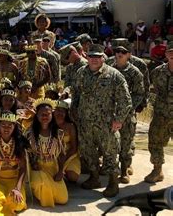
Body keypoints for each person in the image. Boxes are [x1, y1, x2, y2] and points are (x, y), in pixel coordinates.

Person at [71, 44, 132, 197]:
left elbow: (125, 100)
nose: (94, 59)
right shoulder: (81, 73)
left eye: (98, 57)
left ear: (103, 58)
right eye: (91, 56)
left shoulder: (114, 75)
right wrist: (74, 110)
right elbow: (76, 93)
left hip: (106, 124)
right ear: (87, 57)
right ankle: (94, 178)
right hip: (85, 122)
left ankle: (113, 182)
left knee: (110, 153)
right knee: (88, 151)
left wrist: (118, 120)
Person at [108, 41, 145, 184]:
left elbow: (139, 94)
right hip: (110, 113)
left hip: (127, 115)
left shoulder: (135, 72)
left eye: (123, 52)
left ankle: (124, 171)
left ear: (129, 55)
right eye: (117, 51)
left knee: (125, 143)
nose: (119, 54)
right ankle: (112, 169)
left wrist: (127, 108)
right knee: (110, 143)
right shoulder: (109, 70)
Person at [27, 98, 67, 207]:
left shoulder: (58, 133)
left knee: (63, 199)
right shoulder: (30, 132)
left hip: (53, 168)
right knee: (42, 185)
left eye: (47, 114)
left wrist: (60, 171)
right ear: (37, 115)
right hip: (37, 168)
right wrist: (33, 164)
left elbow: (62, 154)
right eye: (42, 114)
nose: (45, 116)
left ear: (51, 115)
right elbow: (26, 153)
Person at [144, 41, 173, 183]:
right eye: (171, 52)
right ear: (166, 54)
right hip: (161, 115)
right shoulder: (158, 72)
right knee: (155, 141)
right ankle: (157, 170)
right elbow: (153, 90)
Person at [53, 99, 80, 183]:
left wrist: (64, 160)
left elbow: (74, 147)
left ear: (66, 113)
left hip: (69, 154)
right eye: (57, 110)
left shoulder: (70, 126)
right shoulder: (48, 124)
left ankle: (65, 172)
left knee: (73, 177)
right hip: (52, 155)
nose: (59, 113)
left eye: (62, 111)